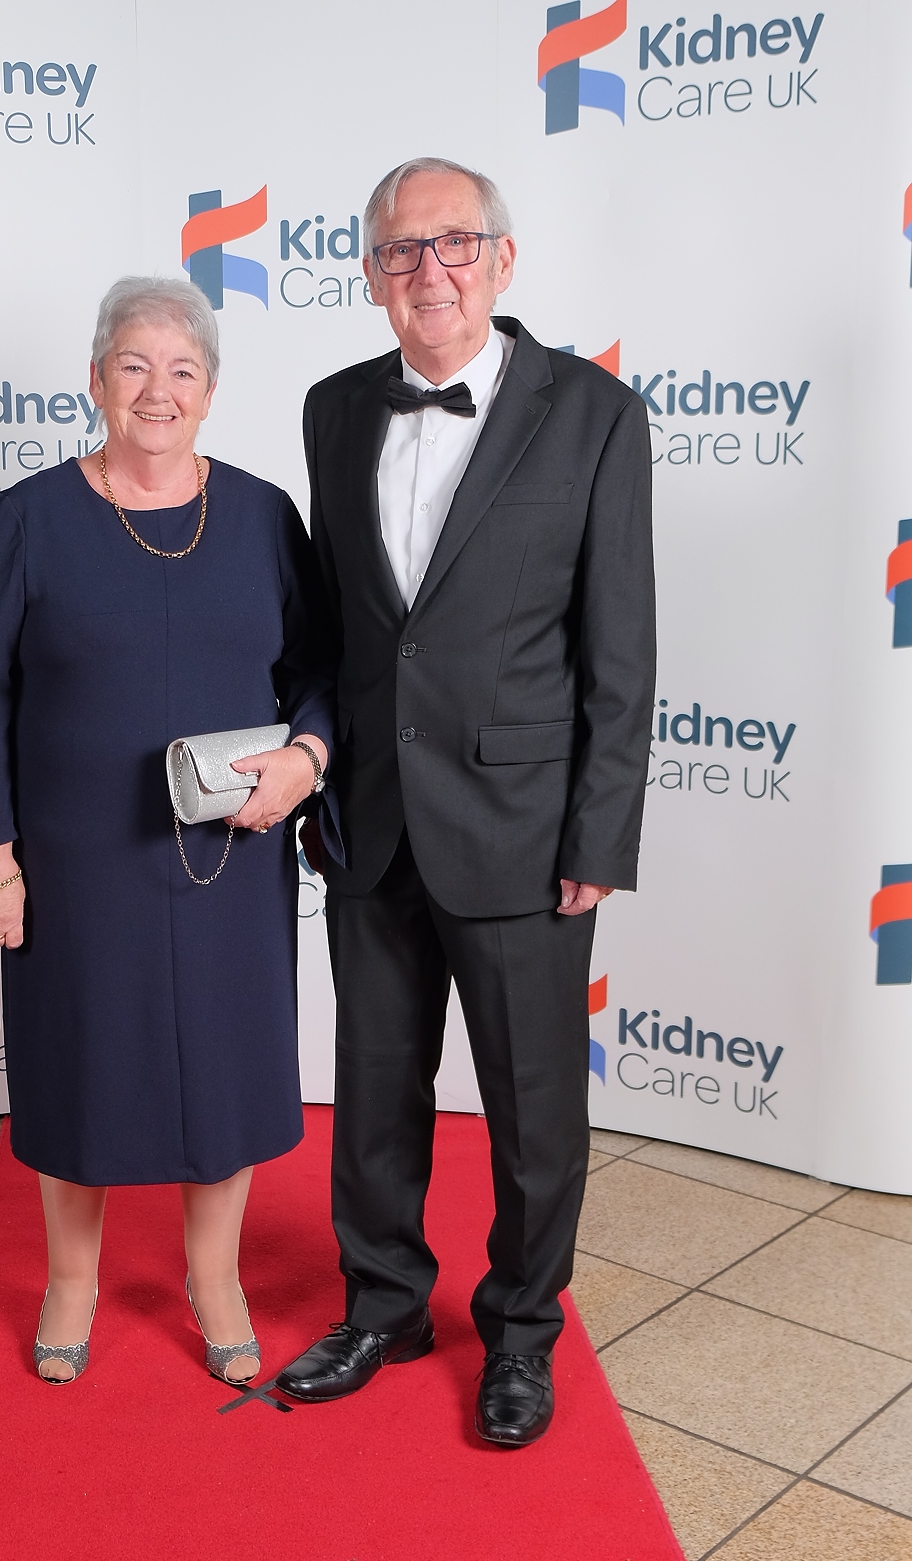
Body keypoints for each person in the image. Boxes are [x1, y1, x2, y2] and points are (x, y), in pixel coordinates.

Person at [0, 276, 333, 1388]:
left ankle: (214, 1280)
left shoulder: (261, 514)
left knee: (224, 1071)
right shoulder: (29, 519)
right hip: (78, 863)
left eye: (181, 370)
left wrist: (305, 759)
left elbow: (322, 673)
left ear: (211, 392)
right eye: (133, 366)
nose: (156, 390)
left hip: (231, 854)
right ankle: (72, 1282)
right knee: (79, 1068)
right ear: (95, 383)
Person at [275, 158, 656, 1446]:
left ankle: (520, 1335)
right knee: (372, 1092)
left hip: (523, 829)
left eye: (452, 245)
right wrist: (314, 772)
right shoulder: (331, 410)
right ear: (372, 273)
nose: (426, 271)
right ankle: (382, 1305)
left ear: (500, 259)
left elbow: (620, 645)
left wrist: (598, 834)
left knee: (531, 1111)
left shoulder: (595, 412)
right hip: (370, 823)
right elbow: (335, 626)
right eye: (398, 251)